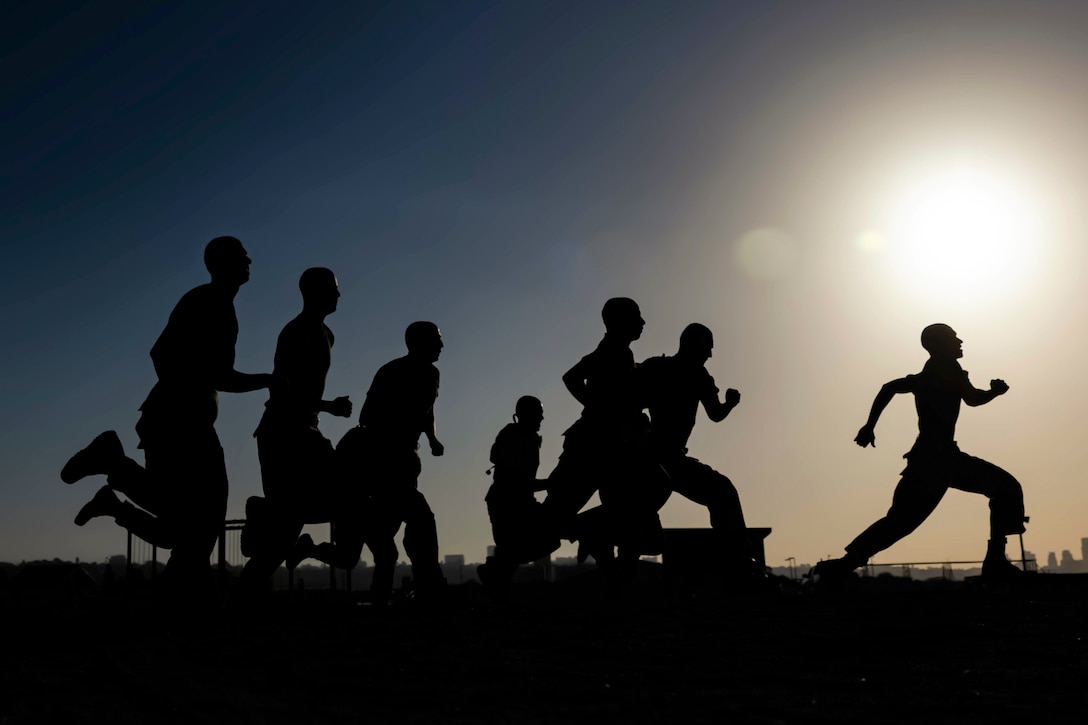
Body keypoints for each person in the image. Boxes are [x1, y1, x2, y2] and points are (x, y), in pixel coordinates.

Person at [61, 236, 275, 595]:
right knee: (200, 520)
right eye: (241, 256)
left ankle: (115, 479)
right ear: (222, 264)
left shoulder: (216, 305)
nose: (249, 260)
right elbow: (177, 360)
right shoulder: (208, 303)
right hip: (178, 423)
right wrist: (266, 381)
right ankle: (114, 465)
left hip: (180, 421)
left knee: (182, 527)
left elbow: (198, 368)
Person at [813, 323, 1027, 583]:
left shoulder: (931, 375)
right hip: (935, 462)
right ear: (937, 345)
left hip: (940, 459)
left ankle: (996, 561)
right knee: (902, 521)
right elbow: (972, 398)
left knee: (902, 521)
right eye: (953, 338)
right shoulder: (945, 371)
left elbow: (889, 387)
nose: (960, 341)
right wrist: (995, 392)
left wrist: (870, 425)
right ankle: (842, 566)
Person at [296, 321, 447, 603]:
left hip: (403, 460)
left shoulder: (432, 374)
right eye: (436, 340)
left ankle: (385, 596)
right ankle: (429, 585)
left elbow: (427, 410)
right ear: (418, 342)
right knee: (418, 519)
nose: (441, 346)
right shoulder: (392, 371)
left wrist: (431, 438)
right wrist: (394, 436)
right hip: (379, 464)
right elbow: (366, 416)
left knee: (372, 550)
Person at [239, 267, 353, 593]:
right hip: (282, 433)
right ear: (313, 293)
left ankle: (270, 515)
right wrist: (328, 405)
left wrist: (322, 408)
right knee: (286, 529)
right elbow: (281, 391)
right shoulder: (294, 333)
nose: (338, 295)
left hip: (306, 430)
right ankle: (266, 515)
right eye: (333, 289)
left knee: (343, 496)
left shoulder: (326, 334)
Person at [541, 297, 669, 575]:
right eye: (637, 316)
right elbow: (572, 378)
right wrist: (599, 408)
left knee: (643, 507)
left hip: (612, 445)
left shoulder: (619, 352)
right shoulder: (614, 351)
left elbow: (614, 395)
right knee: (552, 523)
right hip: (597, 445)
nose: (643, 322)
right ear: (620, 321)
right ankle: (592, 535)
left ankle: (611, 564)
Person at [638, 323, 759, 579]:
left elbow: (631, 398)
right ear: (693, 344)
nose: (711, 355)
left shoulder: (657, 368)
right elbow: (716, 414)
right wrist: (731, 403)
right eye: (708, 347)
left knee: (639, 516)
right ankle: (740, 563)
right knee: (722, 491)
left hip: (656, 456)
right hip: (663, 458)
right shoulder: (695, 375)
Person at [477, 396, 560, 595]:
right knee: (513, 550)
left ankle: (493, 573)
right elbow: (517, 482)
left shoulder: (532, 439)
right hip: (506, 503)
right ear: (525, 416)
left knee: (522, 548)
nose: (541, 419)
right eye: (538, 415)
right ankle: (495, 581)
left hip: (522, 501)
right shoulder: (511, 437)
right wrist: (548, 484)